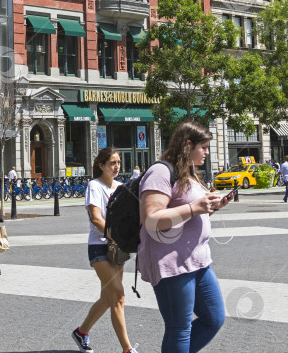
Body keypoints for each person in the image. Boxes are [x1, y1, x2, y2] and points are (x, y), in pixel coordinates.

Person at [138, 122, 233, 353]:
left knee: (214, 318)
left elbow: (191, 207)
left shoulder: (188, 172)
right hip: (172, 263)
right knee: (179, 329)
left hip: (199, 261)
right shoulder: (160, 172)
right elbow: (150, 219)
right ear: (188, 145)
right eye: (204, 147)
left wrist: (212, 205)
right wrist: (194, 208)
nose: (207, 152)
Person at [72, 147, 137, 353]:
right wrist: (114, 234)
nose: (116, 166)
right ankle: (127, 349)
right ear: (101, 166)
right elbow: (96, 218)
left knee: (108, 298)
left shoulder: (120, 187)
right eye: (112, 163)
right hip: (99, 246)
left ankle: (81, 333)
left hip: (118, 248)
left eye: (118, 162)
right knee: (118, 295)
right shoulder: (94, 186)